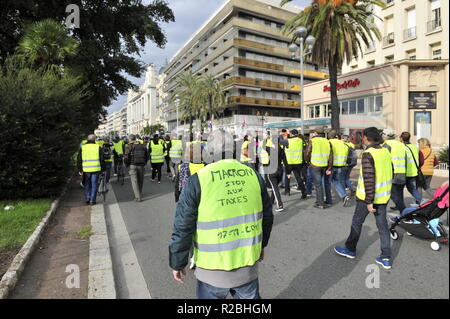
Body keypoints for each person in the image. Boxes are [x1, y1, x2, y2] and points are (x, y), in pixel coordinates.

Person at [169, 130, 274, 299]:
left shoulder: (198, 180)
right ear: (235, 149)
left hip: (211, 270)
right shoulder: (253, 175)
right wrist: (262, 245)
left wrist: (177, 261)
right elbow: (267, 217)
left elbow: (183, 226)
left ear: (209, 152)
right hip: (247, 265)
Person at [334, 127, 394, 270]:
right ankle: (385, 257)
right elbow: (391, 171)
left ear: (366, 138)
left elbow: (368, 179)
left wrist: (369, 201)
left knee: (357, 223)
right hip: (383, 197)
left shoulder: (368, 154)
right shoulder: (385, 151)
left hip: (367, 198)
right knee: (383, 227)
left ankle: (350, 249)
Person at [304, 129, 333, 209]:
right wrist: (329, 167)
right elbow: (331, 155)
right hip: (325, 165)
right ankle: (328, 200)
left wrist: (307, 161)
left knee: (318, 185)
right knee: (326, 183)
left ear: (316, 133)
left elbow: (307, 152)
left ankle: (320, 203)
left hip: (315, 165)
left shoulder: (313, 141)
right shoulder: (327, 141)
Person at [382, 129, 407, 213]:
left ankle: (404, 212)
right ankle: (402, 210)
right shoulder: (401, 144)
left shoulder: (385, 145)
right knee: (399, 193)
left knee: (393, 194)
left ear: (385, 136)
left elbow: (385, 160)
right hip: (402, 171)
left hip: (392, 173)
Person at [77, 134, 104, 205]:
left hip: (86, 169)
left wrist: (80, 169)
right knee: (94, 184)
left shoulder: (83, 147)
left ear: (87, 139)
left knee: (87, 184)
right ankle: (93, 200)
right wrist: (103, 169)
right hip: (96, 169)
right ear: (94, 140)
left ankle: (87, 198)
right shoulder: (98, 147)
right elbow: (102, 159)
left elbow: (79, 159)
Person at [328, 130, 351, 206]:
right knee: (336, 181)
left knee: (327, 182)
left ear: (330, 135)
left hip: (331, 166)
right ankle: (343, 196)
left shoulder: (329, 142)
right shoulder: (342, 143)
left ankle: (328, 198)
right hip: (341, 166)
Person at [283, 129, 307, 199]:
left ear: (291, 134)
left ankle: (287, 191)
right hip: (298, 161)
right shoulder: (300, 140)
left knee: (288, 176)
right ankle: (303, 191)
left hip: (289, 162)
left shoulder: (287, 141)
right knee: (298, 177)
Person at [124, 135, 148, 202]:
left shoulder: (128, 146)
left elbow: (126, 157)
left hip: (133, 165)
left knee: (134, 182)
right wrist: (144, 163)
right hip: (141, 165)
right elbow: (147, 156)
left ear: (130, 139)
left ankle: (138, 197)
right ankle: (139, 193)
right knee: (140, 180)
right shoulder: (143, 146)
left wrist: (127, 165)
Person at [400, 131, 422, 205]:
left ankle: (399, 204)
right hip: (413, 171)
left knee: (399, 189)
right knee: (411, 188)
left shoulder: (402, 147)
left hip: (405, 171)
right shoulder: (415, 147)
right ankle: (419, 200)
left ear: (401, 138)